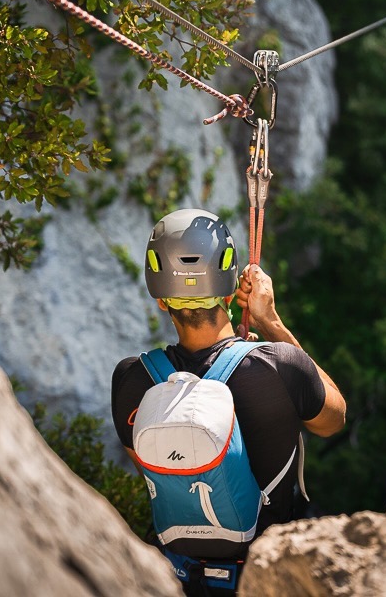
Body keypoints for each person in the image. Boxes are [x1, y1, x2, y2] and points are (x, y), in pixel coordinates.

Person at [111, 208, 346, 595]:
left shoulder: (131, 380)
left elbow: (157, 471)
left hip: (180, 579)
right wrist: (270, 321)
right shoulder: (278, 365)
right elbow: (333, 419)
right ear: (226, 290)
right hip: (264, 577)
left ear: (161, 300)